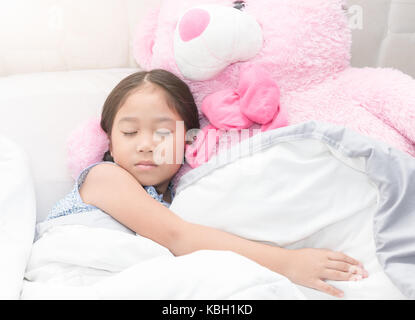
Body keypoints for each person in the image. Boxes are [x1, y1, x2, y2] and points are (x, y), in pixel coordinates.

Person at [48, 69, 368, 298]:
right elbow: (178, 236)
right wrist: (288, 263)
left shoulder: (186, 199)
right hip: (74, 277)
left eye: (163, 133)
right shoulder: (104, 177)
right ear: (111, 143)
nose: (145, 144)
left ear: (188, 140)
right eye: (130, 133)